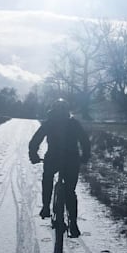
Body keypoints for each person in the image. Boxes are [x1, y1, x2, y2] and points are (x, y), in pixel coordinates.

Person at [29, 98, 90, 238]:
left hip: (53, 158)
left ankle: (45, 207)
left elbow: (35, 141)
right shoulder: (74, 124)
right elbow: (85, 141)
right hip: (72, 159)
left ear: (53, 110)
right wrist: (85, 156)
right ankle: (73, 224)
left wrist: (34, 155)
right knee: (70, 191)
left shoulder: (49, 123)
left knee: (47, 179)